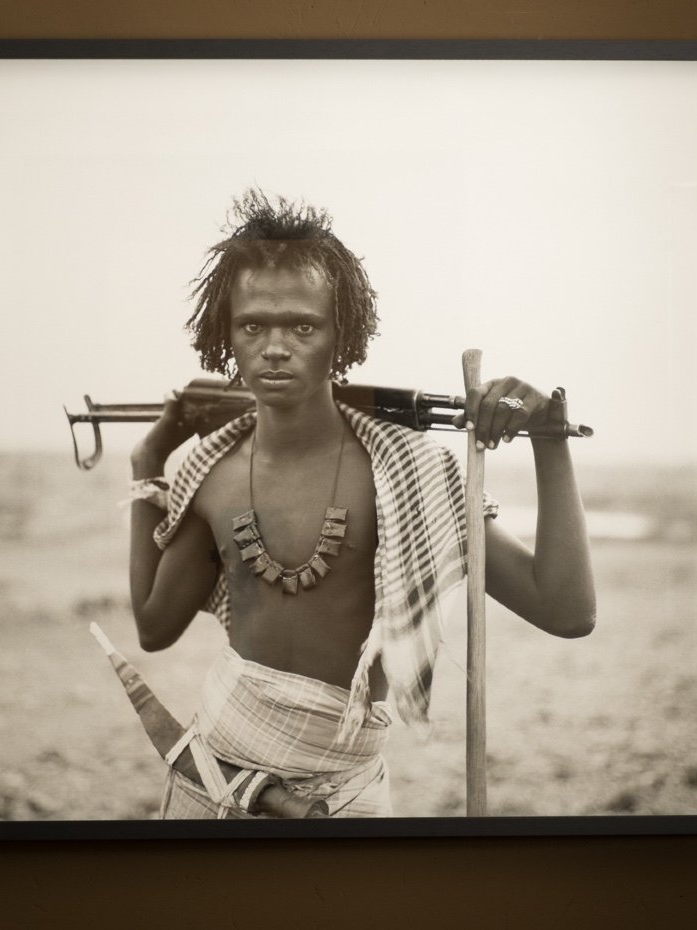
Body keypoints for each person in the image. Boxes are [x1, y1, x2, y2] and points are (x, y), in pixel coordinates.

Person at [127, 190, 595, 818]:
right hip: (214, 781)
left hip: (343, 802)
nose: (274, 346)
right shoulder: (209, 471)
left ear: (339, 334)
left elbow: (566, 610)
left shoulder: (410, 470)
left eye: (302, 325)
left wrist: (548, 437)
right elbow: (155, 628)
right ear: (225, 335)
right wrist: (146, 470)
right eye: (252, 325)